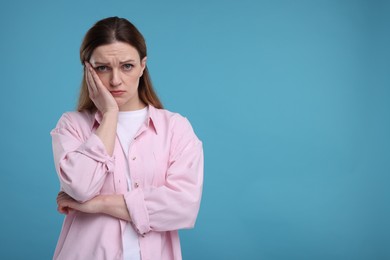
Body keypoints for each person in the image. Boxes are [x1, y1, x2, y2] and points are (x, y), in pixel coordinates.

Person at [51, 16, 204, 260]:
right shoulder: (72, 126)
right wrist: (110, 113)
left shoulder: (176, 128)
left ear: (143, 65)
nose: (115, 80)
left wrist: (97, 204)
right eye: (102, 67)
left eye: (127, 66)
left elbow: (183, 207)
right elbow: (80, 188)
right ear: (88, 70)